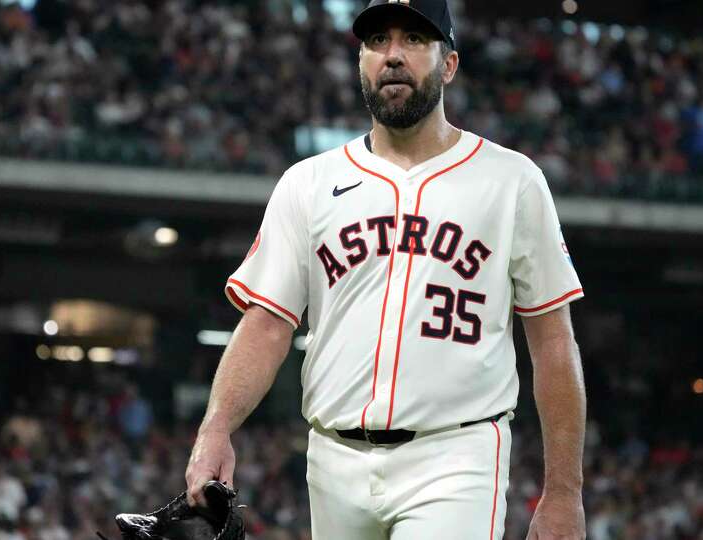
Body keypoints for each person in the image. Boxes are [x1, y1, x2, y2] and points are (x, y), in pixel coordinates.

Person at [185, 0, 587, 538]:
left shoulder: (512, 181)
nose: (393, 55)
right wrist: (216, 428)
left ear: (449, 64)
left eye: (414, 40)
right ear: (360, 61)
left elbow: (553, 342)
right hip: (332, 458)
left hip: (456, 454)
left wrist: (563, 491)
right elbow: (266, 322)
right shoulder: (308, 182)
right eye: (377, 41)